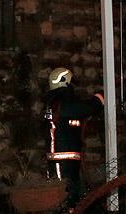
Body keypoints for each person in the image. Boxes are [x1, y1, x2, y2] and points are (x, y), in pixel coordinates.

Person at [43, 67, 104, 208]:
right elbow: (87, 108)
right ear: (65, 82)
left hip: (66, 159)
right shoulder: (61, 102)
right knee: (62, 197)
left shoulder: (57, 101)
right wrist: (100, 96)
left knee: (72, 196)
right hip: (61, 160)